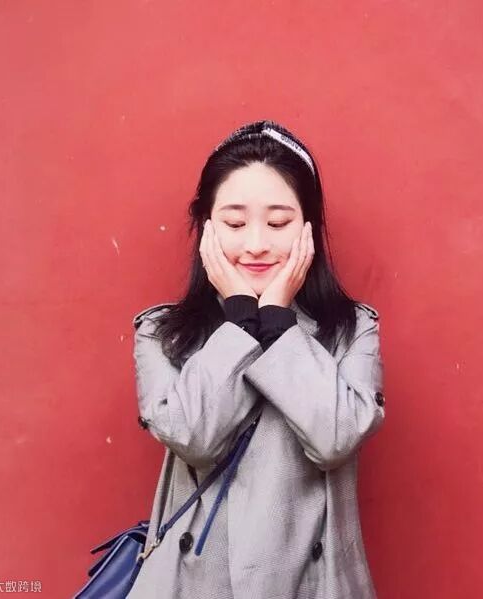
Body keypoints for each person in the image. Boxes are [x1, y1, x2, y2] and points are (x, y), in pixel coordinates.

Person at [127, 119, 386, 599]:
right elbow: (194, 437)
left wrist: (279, 323)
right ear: (206, 228)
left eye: (279, 223)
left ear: (309, 228)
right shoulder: (162, 333)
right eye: (234, 223)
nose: (256, 243)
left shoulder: (353, 330)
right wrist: (241, 321)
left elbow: (334, 439)